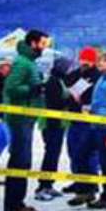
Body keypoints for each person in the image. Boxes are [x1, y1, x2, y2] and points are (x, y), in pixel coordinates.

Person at [70, 50, 106, 210]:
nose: (99, 63)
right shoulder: (103, 78)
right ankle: (87, 189)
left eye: (103, 61)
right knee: (80, 155)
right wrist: (90, 108)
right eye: (99, 61)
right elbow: (100, 102)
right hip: (94, 124)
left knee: (105, 162)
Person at [3, 30, 50, 211]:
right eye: (42, 43)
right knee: (20, 160)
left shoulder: (28, 62)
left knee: (22, 160)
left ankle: (15, 202)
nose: (44, 47)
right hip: (20, 118)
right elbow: (11, 88)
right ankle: (15, 204)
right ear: (33, 43)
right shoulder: (23, 63)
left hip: (27, 117)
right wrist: (34, 88)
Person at [62, 47, 100, 195]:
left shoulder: (98, 76)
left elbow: (95, 95)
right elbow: (67, 84)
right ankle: (78, 180)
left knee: (89, 152)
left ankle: (91, 182)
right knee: (73, 150)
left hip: (89, 118)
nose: (85, 63)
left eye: (88, 61)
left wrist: (83, 98)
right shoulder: (76, 74)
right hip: (74, 116)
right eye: (83, 60)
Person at [33, 56, 70, 201]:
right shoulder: (53, 82)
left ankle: (48, 184)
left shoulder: (58, 80)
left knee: (54, 154)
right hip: (51, 123)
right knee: (50, 154)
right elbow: (54, 103)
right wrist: (69, 100)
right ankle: (42, 186)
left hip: (57, 123)